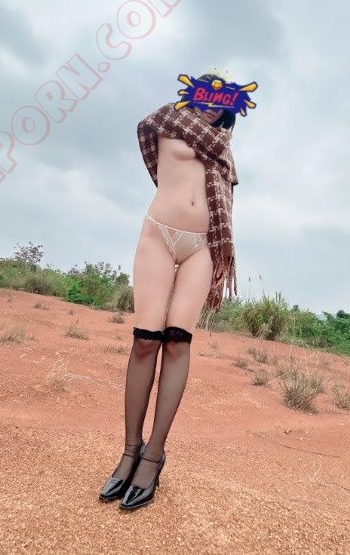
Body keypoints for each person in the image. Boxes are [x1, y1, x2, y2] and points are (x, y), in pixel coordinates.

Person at [99, 73, 239, 510]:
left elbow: (225, 204)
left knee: (178, 343)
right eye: (208, 95)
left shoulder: (224, 149)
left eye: (223, 101)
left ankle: (154, 455)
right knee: (146, 341)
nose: (213, 105)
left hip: (203, 247)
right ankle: (130, 450)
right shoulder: (164, 121)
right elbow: (149, 152)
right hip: (158, 234)